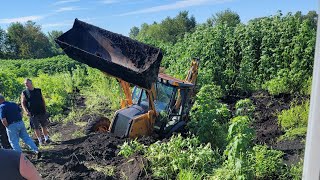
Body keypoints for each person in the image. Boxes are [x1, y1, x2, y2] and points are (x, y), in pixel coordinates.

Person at [21, 79, 51, 145]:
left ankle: (46, 138)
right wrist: (26, 111)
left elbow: (42, 100)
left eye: (27, 83)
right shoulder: (24, 92)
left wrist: (45, 108)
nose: (26, 85)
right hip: (32, 113)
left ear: (31, 83)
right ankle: (40, 141)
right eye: (25, 84)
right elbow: (23, 103)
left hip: (41, 110)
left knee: (44, 125)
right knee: (36, 127)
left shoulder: (38, 90)